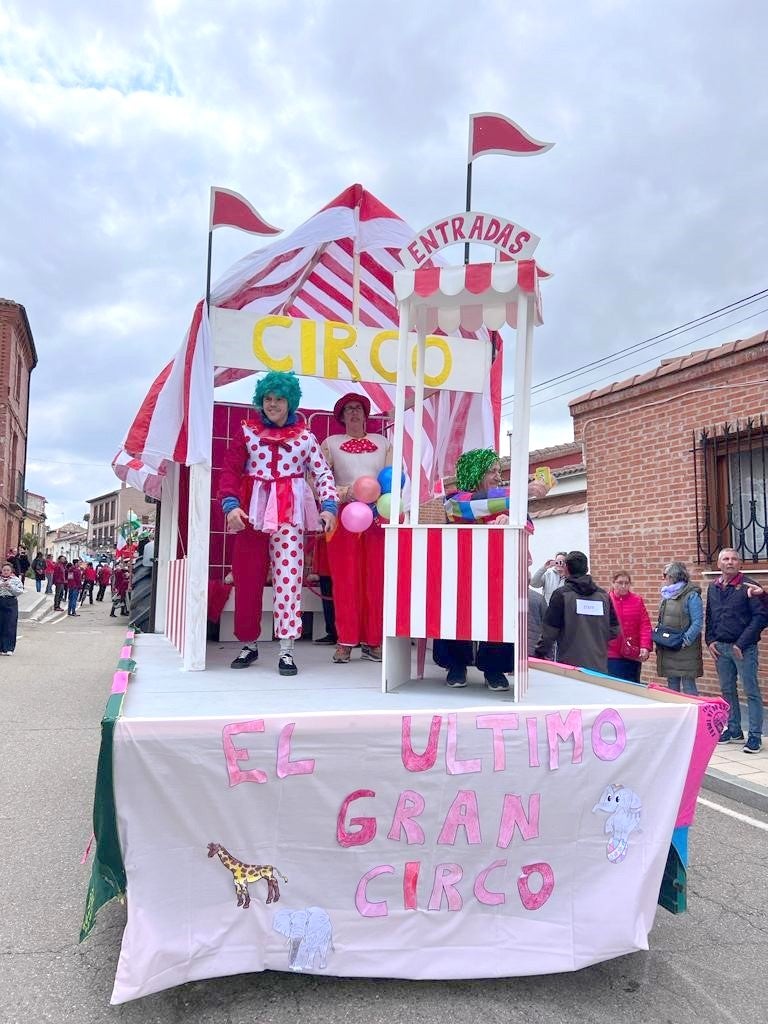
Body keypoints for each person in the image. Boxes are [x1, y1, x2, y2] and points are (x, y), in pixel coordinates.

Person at [217, 370, 338, 676]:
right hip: (252, 516)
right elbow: (229, 471)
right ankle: (249, 642)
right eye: (268, 398)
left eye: (279, 398)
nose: (272, 404)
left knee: (288, 579)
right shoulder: (247, 433)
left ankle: (286, 648)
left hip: (289, 515)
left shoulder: (306, 438)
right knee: (247, 578)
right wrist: (230, 504)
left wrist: (329, 506)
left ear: (290, 401)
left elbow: (323, 473)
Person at [433, 449, 521, 691]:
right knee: (456, 613)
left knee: (497, 616)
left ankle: (494, 669)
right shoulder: (454, 499)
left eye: (499, 471)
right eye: (491, 471)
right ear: (475, 472)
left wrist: (510, 520)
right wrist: (521, 494)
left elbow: (528, 522)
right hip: (460, 569)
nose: (498, 476)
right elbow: (468, 508)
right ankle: (456, 664)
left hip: (495, 572)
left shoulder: (503, 503)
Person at [321, 393, 392, 665]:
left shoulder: (383, 442)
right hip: (343, 516)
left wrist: (380, 500)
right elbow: (317, 480)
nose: (354, 413)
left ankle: (374, 641)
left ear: (366, 414)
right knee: (345, 578)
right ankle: (345, 640)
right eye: (348, 409)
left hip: (377, 515)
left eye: (358, 409)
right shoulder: (330, 443)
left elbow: (393, 477)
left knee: (376, 578)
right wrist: (345, 492)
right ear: (341, 416)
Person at [705, 548, 768, 753]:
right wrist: (710, 640)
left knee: (751, 692)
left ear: (739, 563)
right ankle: (733, 729)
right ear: (719, 564)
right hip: (721, 649)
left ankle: (755, 736)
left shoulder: (749, 586)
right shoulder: (713, 587)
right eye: (725, 559)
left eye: (734, 559)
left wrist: (741, 644)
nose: (730, 562)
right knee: (727, 690)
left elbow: (761, 618)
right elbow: (710, 616)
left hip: (744, 648)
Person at [535, 550, 620, 672]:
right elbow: (614, 630)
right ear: (587, 569)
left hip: (569, 666)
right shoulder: (603, 596)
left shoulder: (561, 595)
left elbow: (549, 632)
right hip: (598, 665)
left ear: (566, 569)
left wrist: (538, 654)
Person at [654, 561, 704, 695]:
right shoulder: (667, 595)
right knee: (672, 685)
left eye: (665, 575)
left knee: (688, 686)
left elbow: (697, 622)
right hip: (670, 646)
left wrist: (685, 641)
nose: (664, 579)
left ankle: (692, 715)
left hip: (685, 649)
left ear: (672, 576)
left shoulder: (691, 595)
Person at [606, 570, 652, 683]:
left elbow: (644, 625)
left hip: (632, 651)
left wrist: (645, 646)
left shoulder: (637, 600)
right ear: (613, 583)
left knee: (633, 685)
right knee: (615, 686)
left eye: (626, 583)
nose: (623, 586)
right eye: (620, 583)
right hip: (612, 653)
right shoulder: (605, 600)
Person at [0, 562, 24, 654]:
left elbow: (20, 591)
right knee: (1, 624)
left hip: (11, 602)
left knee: (10, 625)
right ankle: (1, 648)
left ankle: (9, 648)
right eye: (4, 570)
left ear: (11, 571)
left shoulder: (16, 580)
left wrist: (11, 587)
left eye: (8, 570)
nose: (6, 572)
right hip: (1, 601)